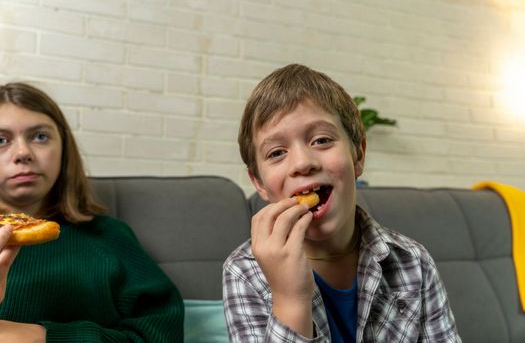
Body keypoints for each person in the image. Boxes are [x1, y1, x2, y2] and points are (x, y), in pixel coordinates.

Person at [222, 64, 461, 342]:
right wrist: (290, 299)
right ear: (259, 183)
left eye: (321, 140)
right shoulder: (244, 272)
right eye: (276, 153)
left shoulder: (414, 262)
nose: (302, 163)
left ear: (358, 155)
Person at [0, 82, 184, 342]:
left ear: (64, 148)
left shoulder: (109, 236)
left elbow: (162, 333)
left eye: (40, 136)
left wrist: (40, 336)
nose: (23, 153)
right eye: (1, 140)